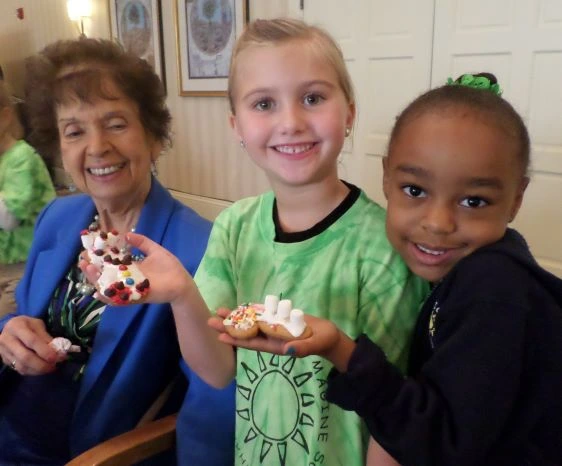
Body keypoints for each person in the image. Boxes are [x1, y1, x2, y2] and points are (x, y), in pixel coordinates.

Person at [100, 18, 428, 466]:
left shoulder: (382, 246)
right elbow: (218, 370)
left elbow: (395, 409)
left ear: (349, 112)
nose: (291, 122)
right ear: (236, 125)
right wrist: (181, 294)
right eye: (264, 104)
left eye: (312, 98)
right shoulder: (235, 226)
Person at [214, 73, 562, 465]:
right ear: (386, 177)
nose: (438, 222)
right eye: (415, 191)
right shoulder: (466, 277)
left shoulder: (496, 291)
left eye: (474, 202)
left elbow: (438, 441)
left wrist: (341, 349)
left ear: (515, 200)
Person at [0, 38, 234, 465]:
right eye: (75, 131)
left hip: (91, 450)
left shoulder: (201, 248)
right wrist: (10, 331)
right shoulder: (58, 217)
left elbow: (215, 398)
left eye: (116, 123)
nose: (97, 146)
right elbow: (23, 315)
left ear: (154, 137)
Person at [0, 81, 55, 317]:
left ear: (4, 117)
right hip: (5, 265)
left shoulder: (22, 158)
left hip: (26, 268)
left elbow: (8, 217)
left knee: (12, 322)